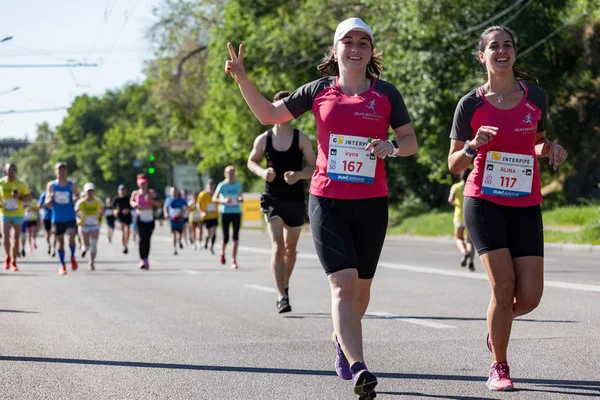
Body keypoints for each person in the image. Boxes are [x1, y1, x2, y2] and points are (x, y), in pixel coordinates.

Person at [225, 17, 417, 398]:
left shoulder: (387, 94)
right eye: (348, 41)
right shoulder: (317, 91)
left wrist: (390, 148)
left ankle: (339, 339)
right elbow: (269, 115)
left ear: (370, 51)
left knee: (361, 292)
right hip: (327, 200)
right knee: (342, 286)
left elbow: (409, 141)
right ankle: (360, 367)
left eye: (364, 41)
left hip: (372, 203)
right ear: (336, 50)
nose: (356, 47)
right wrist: (244, 79)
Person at [448, 26, 568, 392]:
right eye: (494, 47)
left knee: (529, 297)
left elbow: (535, 144)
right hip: (483, 201)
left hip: (525, 203)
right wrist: (471, 146)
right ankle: (498, 364)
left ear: (515, 53)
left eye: (508, 45)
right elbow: (453, 164)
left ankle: (494, 326)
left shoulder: (536, 97)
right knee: (503, 288)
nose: (502, 51)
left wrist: (551, 150)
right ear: (482, 56)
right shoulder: (470, 104)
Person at [247, 90, 317, 314]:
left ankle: (284, 284)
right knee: (277, 246)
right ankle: (281, 295)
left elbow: (315, 168)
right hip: (272, 198)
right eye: (277, 107)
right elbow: (251, 161)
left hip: (295, 198)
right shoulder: (264, 139)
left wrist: (298, 175)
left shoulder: (301, 138)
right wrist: (261, 172)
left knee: (291, 249)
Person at [45, 161, 79, 275]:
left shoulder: (71, 185)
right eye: (59, 169)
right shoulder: (51, 185)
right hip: (57, 218)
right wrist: (50, 199)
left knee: (71, 237)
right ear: (55, 172)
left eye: (63, 169)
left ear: (66, 171)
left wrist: (75, 198)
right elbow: (47, 203)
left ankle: (73, 257)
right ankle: (62, 265)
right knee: (60, 243)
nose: (61, 172)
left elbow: (77, 198)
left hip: (70, 216)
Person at [0, 163, 31, 271]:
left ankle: (14, 261)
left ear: (15, 172)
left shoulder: (21, 184)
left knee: (16, 238)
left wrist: (20, 197)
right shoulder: (1, 183)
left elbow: (28, 198)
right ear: (5, 171)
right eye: (9, 170)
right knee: (5, 235)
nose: (11, 173)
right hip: (5, 213)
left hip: (18, 213)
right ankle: (7, 256)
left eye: (13, 170)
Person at [213, 166, 243, 269]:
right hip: (225, 212)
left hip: (236, 212)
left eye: (232, 173)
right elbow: (214, 198)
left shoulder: (237, 185)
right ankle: (222, 252)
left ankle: (234, 260)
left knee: (235, 237)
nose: (231, 175)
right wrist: (224, 201)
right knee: (226, 237)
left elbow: (240, 196)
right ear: (225, 174)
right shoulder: (222, 185)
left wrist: (239, 199)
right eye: (229, 173)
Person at [130, 174, 162, 269]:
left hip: (150, 219)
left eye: (144, 183)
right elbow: (131, 202)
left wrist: (151, 200)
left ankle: (146, 258)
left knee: (147, 240)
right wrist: (135, 204)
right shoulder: (135, 193)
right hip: (140, 219)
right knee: (142, 239)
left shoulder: (151, 193)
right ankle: (142, 260)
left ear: (147, 183)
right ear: (138, 184)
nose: (143, 185)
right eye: (141, 183)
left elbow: (159, 204)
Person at [448, 169, 475, 271]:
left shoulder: (456, 187)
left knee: (459, 238)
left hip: (459, 214)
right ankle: (471, 263)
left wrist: (456, 204)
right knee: (470, 241)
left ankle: (464, 252)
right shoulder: (472, 186)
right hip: (470, 215)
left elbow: (450, 200)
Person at [75, 183, 103, 270]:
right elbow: (75, 213)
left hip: (94, 225)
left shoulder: (97, 201)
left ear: (94, 192)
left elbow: (102, 211)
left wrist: (100, 215)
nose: (90, 193)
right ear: (85, 192)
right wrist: (78, 220)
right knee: (86, 246)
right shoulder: (81, 203)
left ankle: (91, 262)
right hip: (84, 226)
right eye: (88, 191)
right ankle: (84, 249)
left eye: (91, 191)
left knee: (94, 244)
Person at [164, 186, 187, 255]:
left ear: (177, 192)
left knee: (180, 232)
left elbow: (186, 207)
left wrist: (183, 212)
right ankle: (175, 249)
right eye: (172, 191)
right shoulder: (168, 199)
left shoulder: (181, 199)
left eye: (175, 191)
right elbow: (165, 206)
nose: (174, 193)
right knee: (173, 233)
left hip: (180, 218)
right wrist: (165, 213)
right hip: (172, 218)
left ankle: (179, 240)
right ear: (170, 192)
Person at [197, 179, 219, 254]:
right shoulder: (203, 194)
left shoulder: (216, 194)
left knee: (214, 231)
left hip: (214, 215)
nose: (210, 186)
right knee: (208, 232)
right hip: (206, 216)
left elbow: (220, 201)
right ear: (207, 186)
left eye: (212, 185)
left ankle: (212, 247)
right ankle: (206, 240)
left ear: (214, 186)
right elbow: (198, 204)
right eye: (209, 185)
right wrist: (201, 211)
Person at [112, 184, 132, 254]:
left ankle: (126, 243)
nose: (122, 191)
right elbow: (113, 207)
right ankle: (124, 245)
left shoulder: (129, 197)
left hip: (128, 216)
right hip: (120, 217)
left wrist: (128, 210)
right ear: (118, 191)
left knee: (128, 231)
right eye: (121, 190)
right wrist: (115, 211)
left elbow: (132, 205)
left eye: (123, 190)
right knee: (123, 231)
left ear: (126, 190)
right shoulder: (116, 199)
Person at [38, 191, 55, 256]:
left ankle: (54, 248)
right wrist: (47, 204)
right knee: (48, 234)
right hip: (46, 217)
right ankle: (49, 244)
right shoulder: (43, 195)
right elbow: (39, 206)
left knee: (55, 234)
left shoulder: (57, 193)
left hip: (55, 217)